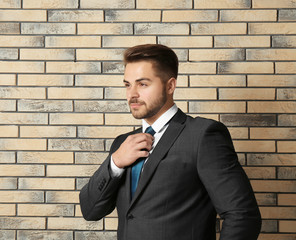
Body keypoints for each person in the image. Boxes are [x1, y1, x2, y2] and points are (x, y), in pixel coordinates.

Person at [79, 44, 261, 240]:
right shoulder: (123, 144)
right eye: (127, 84)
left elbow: (243, 215)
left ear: (170, 85)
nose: (132, 94)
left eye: (143, 84)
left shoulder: (202, 136)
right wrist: (115, 163)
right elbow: (91, 211)